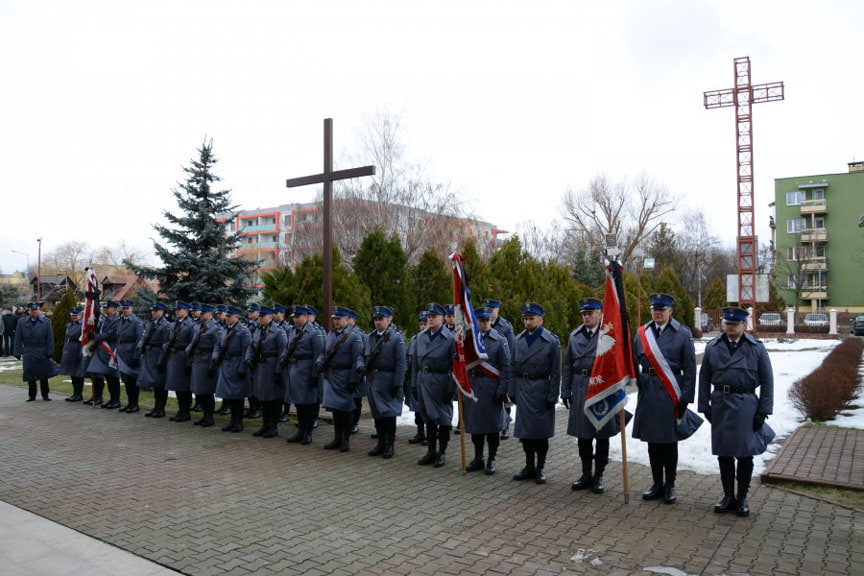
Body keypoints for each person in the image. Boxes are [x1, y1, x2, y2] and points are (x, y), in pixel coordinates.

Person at [699, 306, 775, 517]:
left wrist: (763, 410)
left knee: (744, 454)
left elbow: (767, 381)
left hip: (746, 405)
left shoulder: (756, 348)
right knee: (724, 454)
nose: (730, 327)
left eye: (735, 324)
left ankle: (741, 497)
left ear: (744, 325)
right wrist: (705, 406)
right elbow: (704, 377)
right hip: (721, 404)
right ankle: (727, 496)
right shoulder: (713, 347)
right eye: (727, 323)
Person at [632, 293, 697, 504]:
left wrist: (686, 397)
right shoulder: (642, 333)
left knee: (669, 442)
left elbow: (689, 369)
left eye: (662, 309)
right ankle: (656, 483)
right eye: (654, 309)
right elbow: (633, 362)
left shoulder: (682, 334)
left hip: (671, 393)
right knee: (652, 442)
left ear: (671, 311)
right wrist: (640, 380)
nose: (657, 312)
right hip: (649, 392)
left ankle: (670, 485)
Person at [562, 297, 626, 494]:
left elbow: (618, 364)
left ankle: (599, 475)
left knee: (602, 435)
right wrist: (565, 391)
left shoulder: (608, 334)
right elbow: (568, 366)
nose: (587, 316)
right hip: (581, 387)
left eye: (590, 313)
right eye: (584, 313)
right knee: (583, 436)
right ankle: (586, 474)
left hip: (601, 388)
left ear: (600, 314)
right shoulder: (575, 336)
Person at [509, 302, 561, 484]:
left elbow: (556, 371)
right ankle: (528, 465)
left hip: (541, 389)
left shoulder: (551, 341)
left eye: (531, 318)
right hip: (523, 388)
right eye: (525, 318)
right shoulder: (518, 340)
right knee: (525, 432)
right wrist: (512, 390)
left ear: (541, 320)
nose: (528, 322)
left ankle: (540, 468)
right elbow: (512, 368)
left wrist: (553, 396)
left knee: (541, 432)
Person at [463, 306, 511, 475]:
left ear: (490, 321)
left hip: (491, 389)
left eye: (486, 320)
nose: (483, 323)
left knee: (492, 427)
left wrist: (502, 390)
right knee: (476, 427)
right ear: (476, 322)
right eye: (480, 321)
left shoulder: (499, 340)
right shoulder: (469, 340)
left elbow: (506, 367)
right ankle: (478, 458)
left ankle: (491, 459)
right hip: (474, 388)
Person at [411, 302, 456, 468]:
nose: (430, 319)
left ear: (442, 319)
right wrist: (415, 384)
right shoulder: (420, 337)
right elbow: (416, 363)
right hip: (424, 379)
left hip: (441, 381)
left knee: (443, 418)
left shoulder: (450, 339)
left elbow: (455, 366)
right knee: (427, 417)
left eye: (433, 316)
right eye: (428, 317)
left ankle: (441, 452)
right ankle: (431, 451)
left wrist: (451, 388)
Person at [362, 306, 407, 459]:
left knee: (388, 414)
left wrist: (398, 383)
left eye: (381, 319)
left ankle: (390, 445)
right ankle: (380, 443)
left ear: (390, 319)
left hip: (388, 380)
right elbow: (364, 356)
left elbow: (401, 363)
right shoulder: (370, 337)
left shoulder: (396, 338)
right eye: (375, 319)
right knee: (377, 414)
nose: (378, 322)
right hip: (373, 380)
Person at [318, 307, 364, 452]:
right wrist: (319, 362)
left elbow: (358, 358)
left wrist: (354, 379)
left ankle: (345, 440)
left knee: (346, 409)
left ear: (346, 319)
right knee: (335, 410)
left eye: (339, 319)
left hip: (345, 376)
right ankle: (337, 438)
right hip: (332, 376)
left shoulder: (354, 336)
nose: (336, 321)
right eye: (334, 319)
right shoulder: (330, 334)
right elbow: (323, 352)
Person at [284, 304, 325, 445]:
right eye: (294, 317)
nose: (295, 319)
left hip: (308, 371)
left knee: (308, 404)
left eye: (298, 316)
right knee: (299, 404)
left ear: (306, 317)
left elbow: (318, 355)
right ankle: (300, 431)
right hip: (295, 370)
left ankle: (308, 433)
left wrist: (315, 375)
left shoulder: (314, 332)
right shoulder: (292, 331)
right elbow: (287, 348)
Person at [245, 306, 286, 438]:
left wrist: (279, 370)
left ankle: (273, 427)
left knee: (273, 399)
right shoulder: (258, 330)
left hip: (272, 367)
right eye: (260, 316)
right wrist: (249, 359)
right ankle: (265, 425)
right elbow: (251, 346)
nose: (260, 318)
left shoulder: (278, 331)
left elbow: (283, 352)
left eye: (263, 316)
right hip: (260, 368)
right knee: (263, 398)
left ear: (270, 317)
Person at [215, 306, 252, 433]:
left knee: (238, 396)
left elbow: (246, 350)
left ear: (236, 317)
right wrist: (216, 358)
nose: (227, 318)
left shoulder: (243, 331)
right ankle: (232, 421)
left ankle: (238, 422)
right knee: (229, 396)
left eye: (229, 316)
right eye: (227, 316)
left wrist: (242, 367)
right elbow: (219, 345)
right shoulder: (225, 329)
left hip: (237, 364)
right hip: (226, 364)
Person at [188, 304, 224, 428]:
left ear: (209, 314)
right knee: (198, 391)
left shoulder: (215, 327)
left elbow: (217, 346)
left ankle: (209, 417)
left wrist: (213, 363)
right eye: (201, 313)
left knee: (207, 391)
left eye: (203, 313)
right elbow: (193, 342)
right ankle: (204, 415)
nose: (201, 315)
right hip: (197, 360)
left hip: (207, 360)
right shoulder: (199, 326)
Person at [484, 298, 515, 439]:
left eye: (492, 310)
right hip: (487, 368)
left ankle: (505, 426)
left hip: (501, 366)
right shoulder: (481, 324)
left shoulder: (506, 327)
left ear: (498, 310)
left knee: (505, 397)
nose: (490, 312)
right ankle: (493, 424)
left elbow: (511, 348)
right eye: (487, 309)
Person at [14, 301, 56, 401]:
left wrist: (50, 351)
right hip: (28, 351)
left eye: (35, 309)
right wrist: (17, 352)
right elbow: (18, 338)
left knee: (43, 375)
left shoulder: (46, 322)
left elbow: (50, 338)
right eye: (32, 310)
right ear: (29, 311)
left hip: (42, 351)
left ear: (38, 310)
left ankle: (45, 395)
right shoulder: (22, 322)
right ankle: (31, 396)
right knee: (30, 375)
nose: (34, 311)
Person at [163, 301, 196, 422]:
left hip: (183, 357)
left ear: (186, 311)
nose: (176, 311)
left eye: (179, 310)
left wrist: (189, 362)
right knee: (176, 386)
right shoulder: (174, 324)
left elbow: (192, 344)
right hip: (174, 356)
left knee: (184, 387)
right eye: (176, 310)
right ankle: (181, 410)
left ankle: (185, 411)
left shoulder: (191, 325)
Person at [87, 300, 123, 409]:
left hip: (110, 351)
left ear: (114, 309)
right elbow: (100, 331)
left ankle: (115, 400)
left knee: (112, 376)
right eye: (105, 308)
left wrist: (96, 337)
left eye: (107, 308)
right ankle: (100, 397)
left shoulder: (117, 321)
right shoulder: (104, 320)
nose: (105, 309)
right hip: (101, 350)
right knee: (103, 375)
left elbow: (112, 334)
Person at [138, 302, 171, 418]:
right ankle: (156, 407)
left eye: (156, 311)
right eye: (153, 311)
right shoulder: (150, 324)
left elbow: (166, 344)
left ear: (162, 312)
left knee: (160, 384)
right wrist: (141, 347)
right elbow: (144, 336)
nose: (154, 313)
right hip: (149, 354)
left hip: (158, 354)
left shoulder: (166, 326)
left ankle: (160, 408)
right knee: (154, 384)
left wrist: (161, 359)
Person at [405, 311, 429, 445]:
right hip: (415, 378)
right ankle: (420, 433)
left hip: (428, 378)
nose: (423, 326)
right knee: (417, 409)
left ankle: (430, 434)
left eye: (425, 323)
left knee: (428, 409)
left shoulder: (431, 340)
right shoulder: (414, 339)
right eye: (421, 324)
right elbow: (409, 359)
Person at [116, 300, 144, 413]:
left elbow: (139, 339)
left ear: (132, 309)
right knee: (126, 381)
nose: (125, 310)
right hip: (122, 353)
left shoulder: (136, 322)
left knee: (133, 380)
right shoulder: (121, 320)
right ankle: (129, 403)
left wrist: (136, 355)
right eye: (124, 308)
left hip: (131, 353)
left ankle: (134, 404)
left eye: (127, 308)